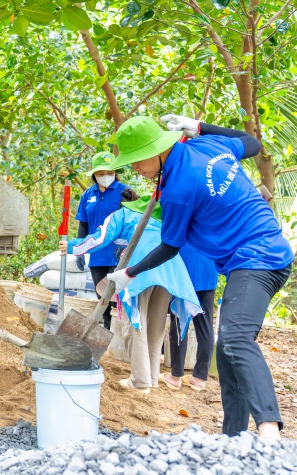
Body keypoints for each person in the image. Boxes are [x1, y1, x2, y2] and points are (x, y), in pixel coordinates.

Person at [107, 114, 294, 439]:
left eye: (137, 161)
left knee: (235, 340)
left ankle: (269, 431)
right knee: (227, 350)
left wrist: (130, 273)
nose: (134, 169)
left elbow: (170, 247)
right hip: (260, 253)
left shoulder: (179, 187)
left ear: (157, 150)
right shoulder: (203, 144)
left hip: (259, 257)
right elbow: (253, 144)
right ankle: (233, 437)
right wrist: (200, 127)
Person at [59, 195, 200, 393]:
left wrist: (73, 246)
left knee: (136, 323)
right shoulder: (161, 217)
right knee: (156, 325)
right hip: (171, 270)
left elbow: (101, 238)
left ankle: (140, 382)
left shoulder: (123, 214)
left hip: (140, 268)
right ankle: (151, 378)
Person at [75, 151, 129, 329]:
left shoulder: (125, 192)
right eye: (101, 173)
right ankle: (106, 332)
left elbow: (131, 222)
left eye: (109, 172)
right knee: (101, 295)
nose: (105, 176)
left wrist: (125, 248)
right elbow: (83, 224)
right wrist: (80, 249)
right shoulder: (87, 195)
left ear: (115, 172)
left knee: (116, 296)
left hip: (118, 254)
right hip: (97, 254)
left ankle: (119, 332)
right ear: (94, 175)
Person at [162, 245, 217, 391]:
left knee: (179, 324)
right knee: (205, 328)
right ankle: (199, 378)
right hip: (208, 272)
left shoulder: (186, 221)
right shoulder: (216, 222)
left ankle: (175, 376)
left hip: (185, 274)